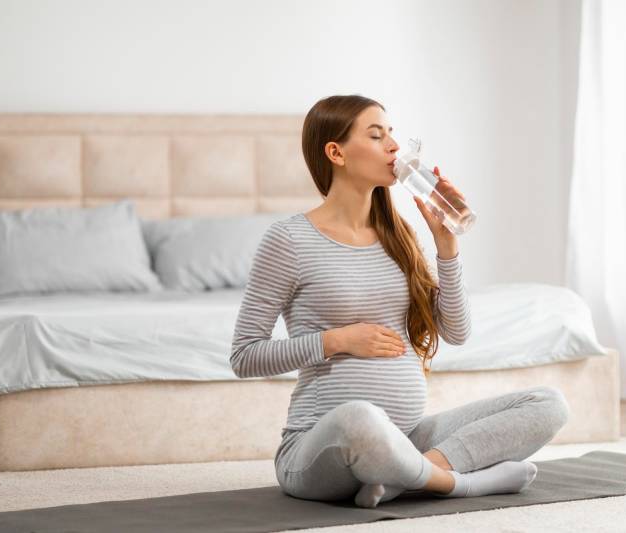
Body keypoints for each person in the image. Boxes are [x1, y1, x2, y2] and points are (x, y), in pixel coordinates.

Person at [230, 94, 570, 508]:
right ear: (336, 152)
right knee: (360, 417)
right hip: (323, 448)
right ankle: (457, 483)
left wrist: (447, 247)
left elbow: (457, 333)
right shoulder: (288, 240)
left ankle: (409, 472)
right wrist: (337, 340)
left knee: (548, 404)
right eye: (377, 136)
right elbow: (245, 356)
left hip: (406, 437)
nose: (394, 147)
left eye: (392, 134)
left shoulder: (399, 235)